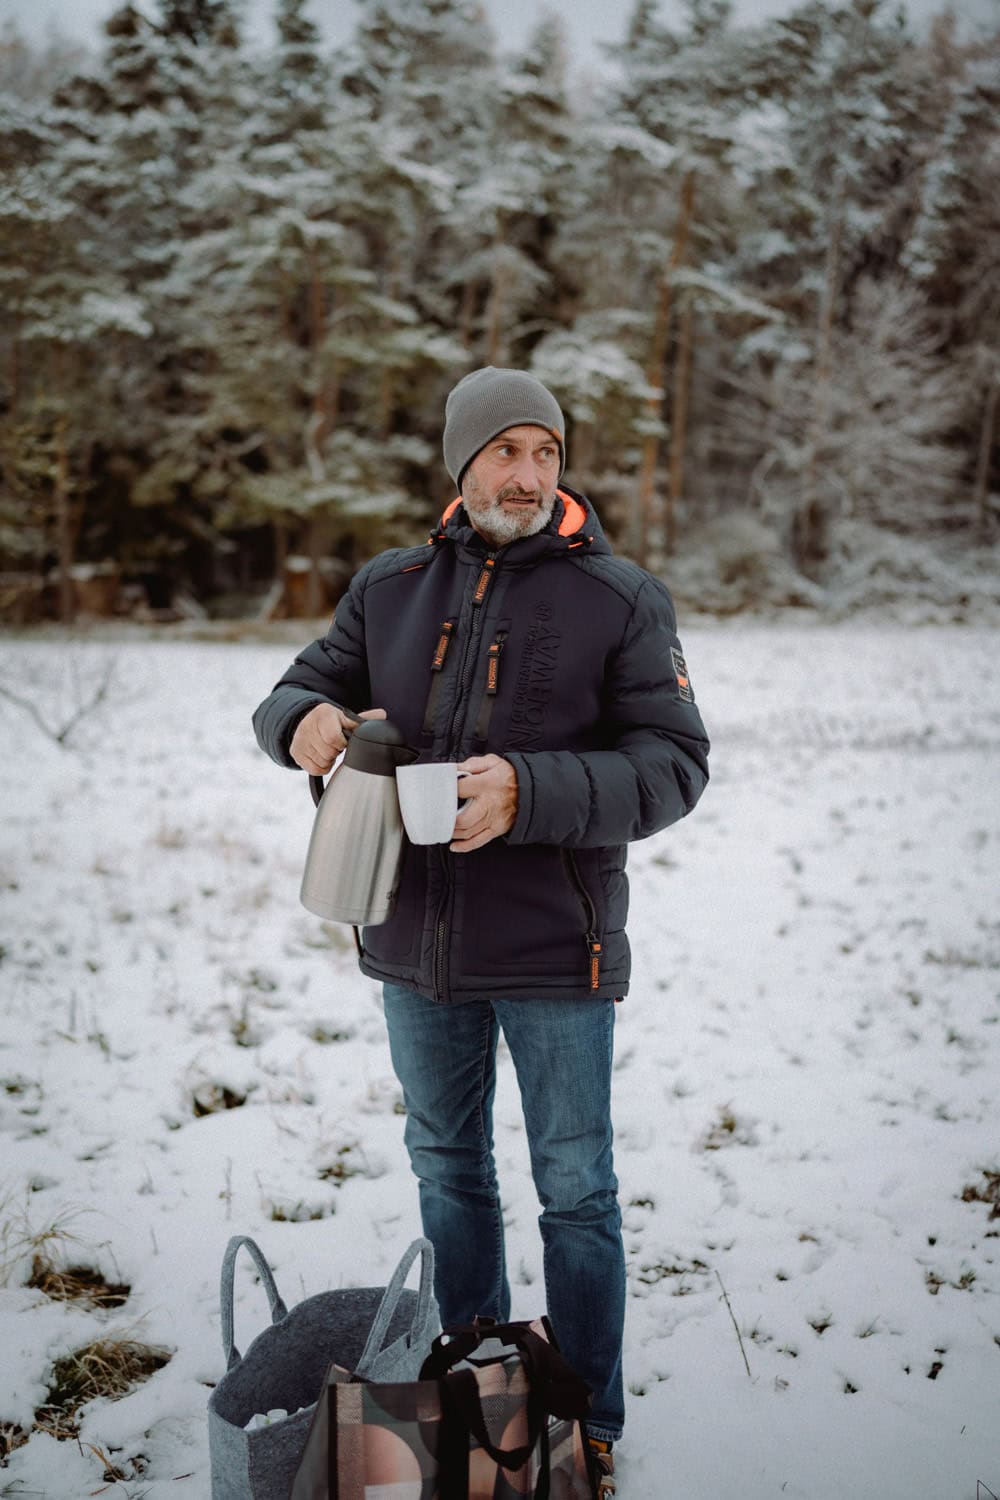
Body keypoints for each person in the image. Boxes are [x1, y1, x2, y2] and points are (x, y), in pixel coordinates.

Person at [253, 367, 710, 1496]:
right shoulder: (392, 585)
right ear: (462, 463)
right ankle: (472, 1381)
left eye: (547, 452)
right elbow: (291, 691)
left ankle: (585, 1411)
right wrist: (300, 724)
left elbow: (673, 764)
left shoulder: (620, 597)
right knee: (449, 1169)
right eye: (506, 450)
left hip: (558, 949)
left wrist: (527, 791)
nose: (530, 472)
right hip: (415, 945)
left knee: (576, 1191)